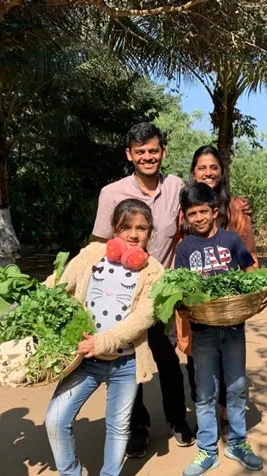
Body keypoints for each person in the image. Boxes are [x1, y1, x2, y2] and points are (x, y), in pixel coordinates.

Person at [45, 199, 163, 476]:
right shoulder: (91, 255)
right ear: (115, 229)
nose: (134, 235)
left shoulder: (154, 271)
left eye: (142, 228)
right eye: (127, 228)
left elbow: (144, 317)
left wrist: (104, 341)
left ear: (150, 233)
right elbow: (59, 284)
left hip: (125, 362)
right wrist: (34, 300)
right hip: (84, 359)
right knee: (55, 419)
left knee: (119, 426)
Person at [91, 122, 195, 457]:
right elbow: (98, 244)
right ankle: (138, 427)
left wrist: (236, 207)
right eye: (140, 152)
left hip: (161, 290)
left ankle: (178, 420)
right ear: (129, 155)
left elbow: (195, 219)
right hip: (121, 293)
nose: (147, 157)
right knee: (129, 362)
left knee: (166, 359)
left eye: (153, 150)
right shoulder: (112, 193)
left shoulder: (177, 186)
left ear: (163, 152)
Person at [174, 183, 266, 476]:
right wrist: (183, 306)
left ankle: (237, 442)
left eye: (203, 211)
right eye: (192, 214)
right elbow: (180, 288)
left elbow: (251, 272)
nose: (198, 218)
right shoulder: (185, 248)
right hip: (202, 330)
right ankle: (207, 450)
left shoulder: (230, 240)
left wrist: (259, 293)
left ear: (215, 212)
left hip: (234, 327)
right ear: (185, 217)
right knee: (203, 393)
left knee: (237, 387)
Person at [178, 145, 257, 432]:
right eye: (202, 167)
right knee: (198, 361)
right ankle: (206, 422)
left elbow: (249, 258)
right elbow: (181, 259)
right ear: (193, 172)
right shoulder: (184, 212)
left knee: (233, 370)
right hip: (198, 311)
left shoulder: (236, 208)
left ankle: (230, 422)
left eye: (214, 167)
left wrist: (251, 290)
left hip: (231, 308)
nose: (208, 172)